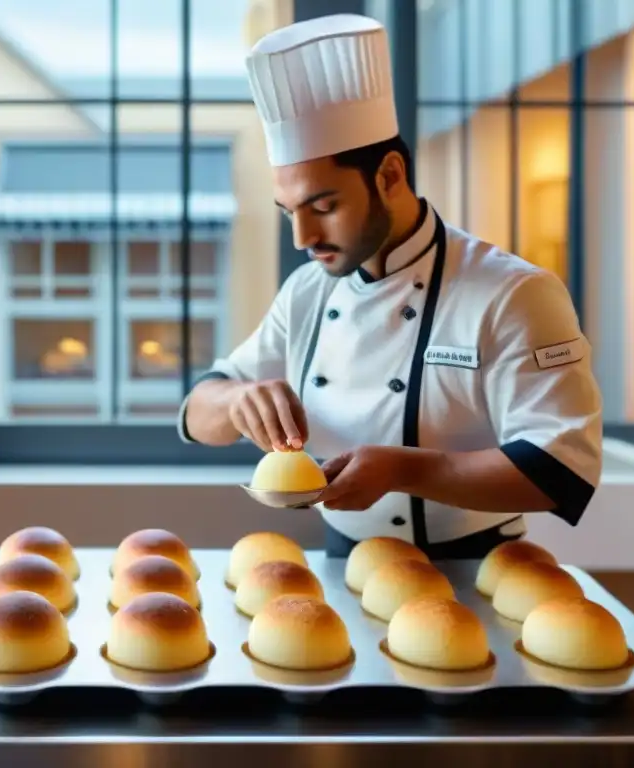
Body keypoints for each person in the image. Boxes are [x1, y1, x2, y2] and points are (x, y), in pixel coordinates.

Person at [177, 14, 603, 560]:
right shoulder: (308, 291)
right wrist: (238, 400)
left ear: (390, 175)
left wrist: (406, 468)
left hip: (476, 571)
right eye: (289, 212)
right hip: (343, 563)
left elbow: (560, 470)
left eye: (324, 206)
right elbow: (195, 412)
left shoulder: (513, 293)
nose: (304, 236)